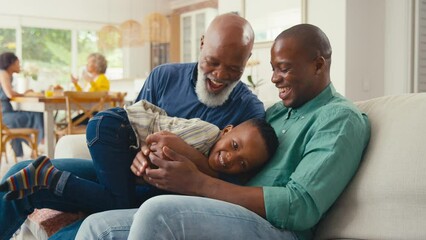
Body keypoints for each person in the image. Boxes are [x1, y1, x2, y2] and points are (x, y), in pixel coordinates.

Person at [75, 24, 371, 240]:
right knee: (98, 227)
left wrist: (199, 183)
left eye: (283, 68)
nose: (274, 78)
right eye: (273, 68)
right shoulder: (279, 112)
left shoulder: (339, 118)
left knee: (157, 212)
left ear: (318, 65)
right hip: (223, 209)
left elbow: (300, 207)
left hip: (278, 229)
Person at [0, 12, 264, 240]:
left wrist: (188, 161)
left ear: (247, 59)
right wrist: (138, 149)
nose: (220, 75)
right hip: (125, 173)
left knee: (78, 232)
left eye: (233, 68)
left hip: (170, 197)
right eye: (212, 62)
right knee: (20, 173)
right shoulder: (165, 76)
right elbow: (129, 126)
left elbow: (236, 182)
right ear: (202, 44)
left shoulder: (249, 111)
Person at [0, 100, 278, 207]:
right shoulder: (207, 133)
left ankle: (34, 190)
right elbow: (165, 142)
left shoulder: (213, 152)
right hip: (114, 129)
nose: (230, 158)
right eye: (234, 146)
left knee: (120, 195)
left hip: (115, 131)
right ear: (227, 130)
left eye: (242, 164)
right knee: (119, 202)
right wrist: (210, 176)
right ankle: (49, 176)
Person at [0, 52, 44, 158]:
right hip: (5, 116)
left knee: (32, 115)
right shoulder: (3, 73)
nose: (19, 66)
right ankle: (37, 147)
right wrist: (25, 94)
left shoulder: (5, 74)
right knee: (37, 115)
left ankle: (34, 148)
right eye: (17, 63)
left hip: (6, 114)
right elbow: (9, 93)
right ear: (10, 63)